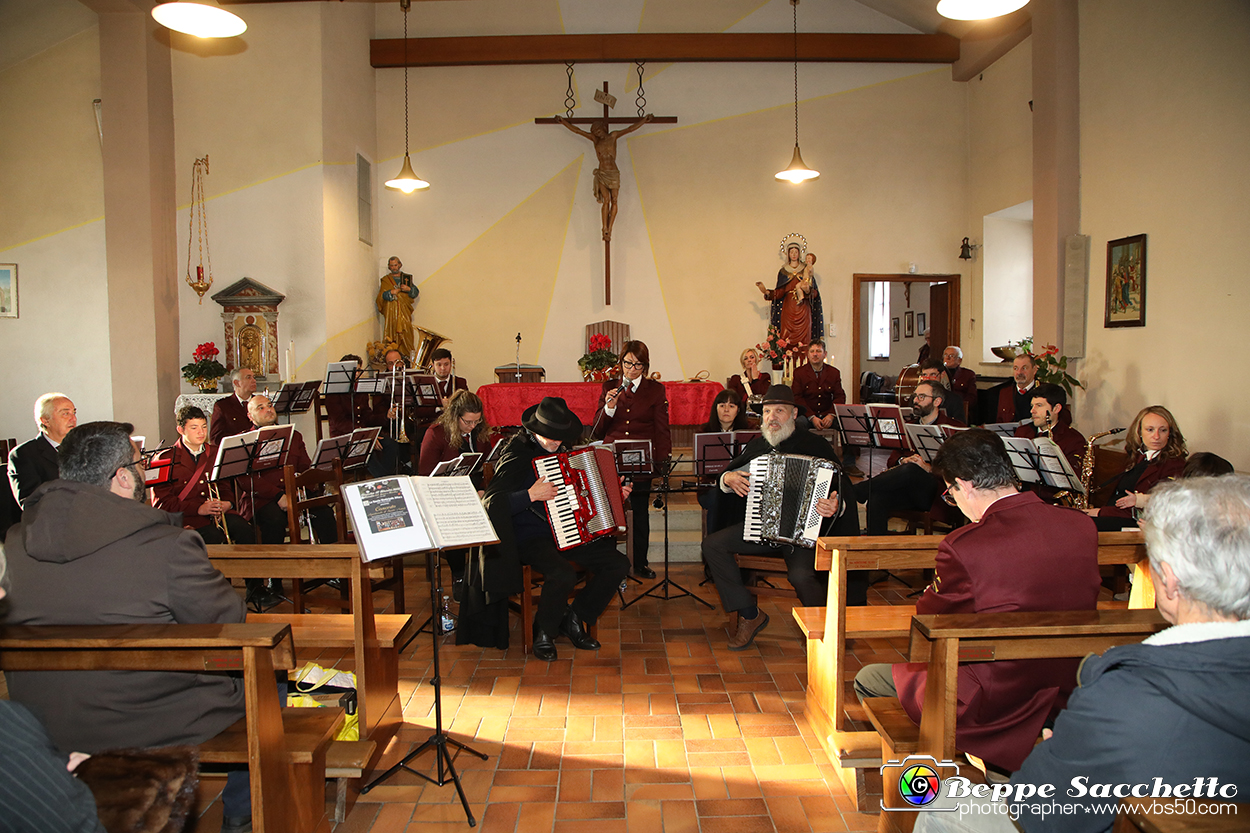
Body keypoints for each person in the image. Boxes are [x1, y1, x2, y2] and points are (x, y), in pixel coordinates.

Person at [917, 476, 1250, 833]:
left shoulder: (1124, 693)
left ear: (1168, 581)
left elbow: (1039, 809)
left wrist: (1064, 750)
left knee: (939, 805)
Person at [3, 421, 253, 833]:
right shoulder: (166, 545)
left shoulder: (15, 541)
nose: (143, 472)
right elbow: (227, 622)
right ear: (122, 477)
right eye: (139, 465)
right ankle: (243, 813)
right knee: (268, 678)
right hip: (147, 718)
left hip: (40, 716)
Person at [853, 428, 1101, 773]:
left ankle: (929, 784)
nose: (954, 501)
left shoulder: (965, 544)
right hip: (1064, 688)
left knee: (870, 678)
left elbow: (930, 620)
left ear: (965, 484)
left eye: (951, 493)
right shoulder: (1080, 526)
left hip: (997, 701)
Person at [702, 385, 859, 649]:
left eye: (779, 411)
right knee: (713, 545)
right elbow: (727, 475)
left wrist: (835, 505)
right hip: (760, 527)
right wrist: (727, 479)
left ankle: (827, 629)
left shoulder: (815, 445)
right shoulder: (758, 445)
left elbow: (841, 487)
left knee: (800, 576)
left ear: (793, 413)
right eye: (766, 412)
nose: (771, 417)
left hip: (801, 533)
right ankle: (750, 615)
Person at [473, 397, 631, 660]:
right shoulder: (516, 454)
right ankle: (543, 632)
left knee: (618, 564)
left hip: (569, 531)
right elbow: (492, 503)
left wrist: (614, 495)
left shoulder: (566, 454)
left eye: (560, 437)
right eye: (550, 437)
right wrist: (530, 495)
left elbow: (585, 498)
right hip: (529, 536)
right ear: (535, 431)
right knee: (562, 574)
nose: (557, 443)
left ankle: (574, 617)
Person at [150, 406, 263, 606]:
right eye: (194, 428)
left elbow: (226, 486)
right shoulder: (165, 458)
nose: (202, 432)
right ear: (180, 430)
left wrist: (227, 503)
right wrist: (198, 509)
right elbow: (161, 503)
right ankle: (218, 597)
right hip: (187, 519)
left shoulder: (215, 453)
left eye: (204, 426)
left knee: (246, 531)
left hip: (217, 514)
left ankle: (255, 590)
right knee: (212, 538)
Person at [592, 340, 671, 579]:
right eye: (627, 363)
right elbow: (597, 430)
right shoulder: (609, 387)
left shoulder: (655, 390)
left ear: (645, 367)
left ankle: (639, 562)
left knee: (639, 512)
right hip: (612, 458)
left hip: (641, 460)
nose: (631, 369)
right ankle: (606, 564)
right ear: (621, 363)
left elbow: (661, 429)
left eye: (637, 365)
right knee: (608, 511)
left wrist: (661, 464)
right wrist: (609, 408)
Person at [853, 381, 965, 535]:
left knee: (912, 470)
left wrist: (928, 468)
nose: (915, 401)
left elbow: (961, 469)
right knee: (877, 497)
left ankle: (857, 491)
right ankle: (876, 546)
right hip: (908, 489)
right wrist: (902, 461)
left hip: (937, 494)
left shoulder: (953, 427)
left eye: (921, 397)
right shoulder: (908, 425)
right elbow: (892, 460)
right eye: (915, 396)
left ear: (937, 401)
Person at [418, 390, 492, 600]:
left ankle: (483, 572)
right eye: (468, 422)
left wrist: (485, 489)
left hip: (475, 491)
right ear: (455, 416)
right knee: (454, 519)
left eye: (477, 422)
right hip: (445, 496)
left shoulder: (479, 432)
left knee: (497, 507)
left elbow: (487, 465)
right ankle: (459, 574)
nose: (472, 427)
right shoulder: (436, 433)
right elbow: (425, 475)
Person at [240, 393, 337, 547]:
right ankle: (275, 564)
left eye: (270, 405)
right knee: (274, 519)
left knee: (324, 512)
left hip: (295, 491)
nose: (268, 410)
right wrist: (278, 496)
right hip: (262, 499)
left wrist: (299, 488)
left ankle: (333, 559)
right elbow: (246, 479)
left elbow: (305, 467)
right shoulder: (244, 441)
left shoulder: (294, 436)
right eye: (261, 408)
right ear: (250, 416)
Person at [556, 114, 655, 242]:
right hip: (602, 173)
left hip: (613, 172)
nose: (597, 134)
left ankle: (610, 227)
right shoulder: (595, 140)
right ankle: (605, 229)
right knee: (606, 200)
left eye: (598, 131)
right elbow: (578, 131)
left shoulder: (613, 136)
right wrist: (563, 122)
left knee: (614, 200)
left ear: (603, 128)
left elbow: (630, 129)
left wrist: (644, 121)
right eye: (595, 132)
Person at [1086, 405, 1187, 530]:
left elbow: (1161, 506)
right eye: (1150, 430)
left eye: (1163, 430)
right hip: (1116, 515)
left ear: (1170, 434)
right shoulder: (1138, 456)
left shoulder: (1174, 464)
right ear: (1139, 432)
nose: (1156, 436)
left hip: (1140, 524)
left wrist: (1102, 512)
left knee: (1084, 526)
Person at [1013, 383, 1085, 503]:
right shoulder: (1023, 431)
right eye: (1032, 406)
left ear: (1056, 409)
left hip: (1050, 502)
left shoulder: (1073, 439)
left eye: (1039, 406)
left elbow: (1071, 483)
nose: (1032, 411)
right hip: (1021, 497)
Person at [8, 392, 76, 509]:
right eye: (65, 413)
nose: (73, 419)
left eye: (74, 413)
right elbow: (31, 501)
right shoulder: (24, 454)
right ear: (45, 420)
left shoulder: (83, 447)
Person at [755, 240, 824, 353]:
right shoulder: (783, 271)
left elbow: (814, 293)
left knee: (805, 339)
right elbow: (780, 292)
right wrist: (767, 292)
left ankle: (804, 362)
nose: (793, 254)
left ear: (799, 253)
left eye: (796, 252)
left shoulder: (805, 269)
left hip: (803, 308)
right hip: (788, 308)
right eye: (791, 252)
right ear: (788, 254)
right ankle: (786, 360)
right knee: (786, 337)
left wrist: (807, 290)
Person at [791, 340, 845, 431]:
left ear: (825, 354)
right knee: (799, 423)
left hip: (827, 414)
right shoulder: (799, 373)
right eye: (812, 351)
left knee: (845, 423)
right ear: (808, 354)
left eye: (819, 351)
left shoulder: (834, 372)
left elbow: (840, 396)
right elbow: (797, 397)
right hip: (806, 415)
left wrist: (831, 415)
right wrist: (812, 417)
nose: (815, 354)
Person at [377, 256, 418, 360]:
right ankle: (392, 355)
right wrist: (390, 292)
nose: (394, 267)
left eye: (395, 265)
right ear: (389, 267)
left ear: (400, 265)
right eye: (391, 265)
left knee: (406, 331)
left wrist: (409, 289)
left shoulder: (406, 278)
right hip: (392, 314)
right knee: (392, 333)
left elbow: (415, 292)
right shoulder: (386, 280)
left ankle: (407, 356)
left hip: (404, 311)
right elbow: (381, 296)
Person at [208, 368, 256, 446]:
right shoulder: (223, 406)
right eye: (248, 377)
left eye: (253, 377)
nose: (254, 380)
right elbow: (215, 438)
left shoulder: (260, 402)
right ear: (236, 383)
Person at [995, 352, 1038, 423]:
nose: (1019, 372)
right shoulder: (1005, 393)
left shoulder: (1044, 391)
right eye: (1016, 368)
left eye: (1024, 368)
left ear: (1034, 370)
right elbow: (999, 422)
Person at [941, 345, 978, 423]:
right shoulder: (938, 373)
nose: (947, 358)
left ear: (959, 360)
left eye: (951, 356)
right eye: (945, 355)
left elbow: (972, 397)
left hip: (959, 410)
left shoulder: (968, 374)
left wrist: (959, 405)